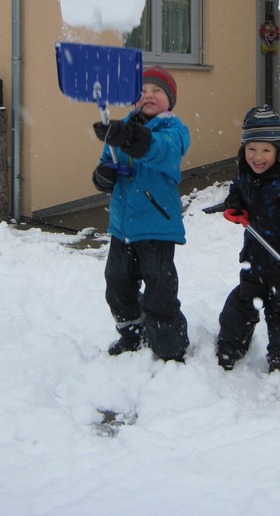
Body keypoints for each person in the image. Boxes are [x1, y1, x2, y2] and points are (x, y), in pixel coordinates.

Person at [92, 65, 190, 362]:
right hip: (122, 228)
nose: (148, 95)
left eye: (156, 91)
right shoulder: (121, 130)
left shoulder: (174, 131)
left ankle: (170, 346)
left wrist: (128, 137)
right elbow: (106, 164)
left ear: (170, 100)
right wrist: (104, 175)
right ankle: (132, 334)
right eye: (143, 91)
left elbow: (162, 151)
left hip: (157, 227)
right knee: (117, 285)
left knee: (160, 291)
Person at [216, 105, 280, 373]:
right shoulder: (246, 170)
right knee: (243, 301)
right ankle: (231, 345)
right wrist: (235, 202)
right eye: (252, 149)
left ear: (278, 151)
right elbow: (237, 187)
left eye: (266, 150)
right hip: (256, 252)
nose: (257, 157)